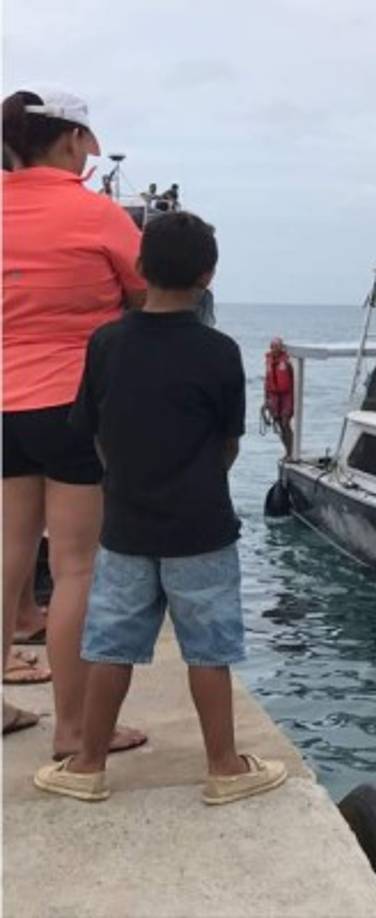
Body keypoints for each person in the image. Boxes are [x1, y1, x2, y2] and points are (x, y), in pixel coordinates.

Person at [34, 211, 287, 805]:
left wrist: (124, 479)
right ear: (209, 275)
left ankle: (88, 765)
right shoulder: (220, 352)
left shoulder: (106, 342)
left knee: (110, 647)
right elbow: (229, 442)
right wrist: (199, 480)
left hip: (125, 526)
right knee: (209, 650)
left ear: (141, 268)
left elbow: (93, 432)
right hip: (201, 527)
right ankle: (224, 767)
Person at [2, 87, 146, 748]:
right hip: (72, 405)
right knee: (75, 566)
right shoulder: (98, 215)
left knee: (6, 552)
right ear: (68, 140)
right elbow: (147, 294)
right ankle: (75, 728)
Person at [263, 337, 295, 455]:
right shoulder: (269, 361)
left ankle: (292, 451)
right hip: (273, 396)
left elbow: (294, 379)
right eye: (273, 346)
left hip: (287, 395)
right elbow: (267, 380)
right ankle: (287, 451)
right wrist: (266, 400)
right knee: (278, 424)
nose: (275, 349)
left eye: (278, 346)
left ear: (281, 348)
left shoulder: (287, 361)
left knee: (286, 422)